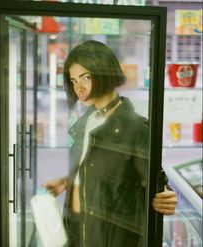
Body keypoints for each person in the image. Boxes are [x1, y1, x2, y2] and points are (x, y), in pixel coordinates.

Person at [42, 40, 177, 247]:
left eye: (86, 77)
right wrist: (68, 181)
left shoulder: (136, 128)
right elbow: (102, 167)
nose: (79, 87)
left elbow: (154, 183)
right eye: (74, 80)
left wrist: (166, 196)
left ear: (105, 72)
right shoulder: (86, 120)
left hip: (112, 237)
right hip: (77, 231)